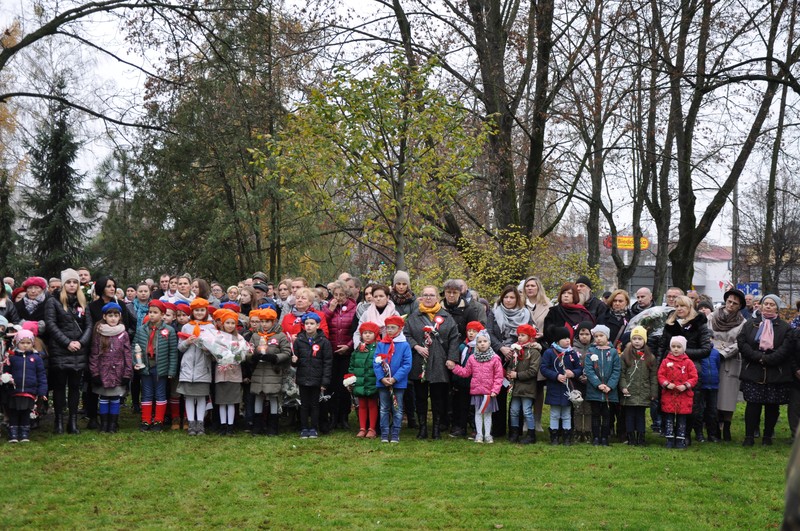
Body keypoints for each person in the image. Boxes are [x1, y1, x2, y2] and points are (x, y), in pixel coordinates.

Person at [404, 285, 460, 440]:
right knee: (420, 397)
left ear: (437, 298)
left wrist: (451, 358)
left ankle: (436, 428)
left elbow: (454, 339)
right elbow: (406, 335)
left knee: (438, 397)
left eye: (431, 295)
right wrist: (416, 346)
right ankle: (422, 428)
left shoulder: (447, 317)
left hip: (439, 363)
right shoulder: (414, 317)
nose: (428, 298)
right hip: (419, 361)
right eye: (425, 295)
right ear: (421, 298)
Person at [738, 294, 793, 447]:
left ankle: (767, 436)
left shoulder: (785, 327)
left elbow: (786, 348)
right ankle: (749, 436)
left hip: (775, 372)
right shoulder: (750, 324)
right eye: (765, 304)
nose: (768, 306)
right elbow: (742, 343)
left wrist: (769, 359)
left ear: (777, 307)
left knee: (772, 406)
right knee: (753, 405)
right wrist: (758, 357)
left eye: (771, 304)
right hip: (753, 369)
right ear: (761, 306)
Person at [44, 269, 93, 435]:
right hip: (60, 350)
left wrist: (80, 342)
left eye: (75, 282)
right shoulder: (53, 301)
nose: (72, 285)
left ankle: (72, 422)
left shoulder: (82, 301)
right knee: (59, 387)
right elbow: (51, 325)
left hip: (78, 351)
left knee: (74, 387)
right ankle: (58, 421)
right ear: (64, 284)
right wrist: (67, 343)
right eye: (69, 282)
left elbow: (89, 326)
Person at [658, 294, 711, 444]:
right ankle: (669, 432)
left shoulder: (699, 323)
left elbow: (706, 349)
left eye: (683, 306)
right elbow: (662, 345)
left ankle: (686, 433)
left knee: (691, 405)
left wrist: (682, 354)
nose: (679, 309)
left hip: (691, 367)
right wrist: (659, 364)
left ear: (690, 307)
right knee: (668, 402)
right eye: (677, 306)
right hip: (669, 368)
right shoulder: (670, 324)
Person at [487, 285, 533, 437]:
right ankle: (498, 429)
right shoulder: (494, 312)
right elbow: (490, 333)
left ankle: (516, 430)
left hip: (520, 357)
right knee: (498, 392)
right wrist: (501, 348)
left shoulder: (526, 314)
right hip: (498, 356)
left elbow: (529, 334)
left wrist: (516, 348)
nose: (508, 300)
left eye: (512, 297)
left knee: (518, 393)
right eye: (506, 297)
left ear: (517, 299)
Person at [447, 329, 504, 444]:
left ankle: (487, 435)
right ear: (476, 344)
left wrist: (495, 390)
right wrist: (454, 368)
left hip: (489, 392)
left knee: (487, 414)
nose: (482, 343)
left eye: (485, 341)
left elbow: (499, 376)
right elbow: (466, 372)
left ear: (489, 343)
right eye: (479, 342)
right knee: (478, 413)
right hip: (477, 391)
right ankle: (479, 434)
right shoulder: (472, 358)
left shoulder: (495, 359)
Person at [133, 300, 178, 432]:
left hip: (161, 367)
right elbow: (134, 348)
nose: (152, 315)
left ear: (162, 314)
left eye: (155, 312)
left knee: (160, 393)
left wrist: (171, 370)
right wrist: (136, 362)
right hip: (145, 366)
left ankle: (159, 421)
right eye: (150, 312)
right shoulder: (142, 330)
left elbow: (173, 352)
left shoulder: (169, 330)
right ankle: (146, 420)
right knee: (146, 393)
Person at [89, 302, 132, 433]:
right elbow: (94, 354)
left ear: (120, 317)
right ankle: (104, 423)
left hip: (118, 371)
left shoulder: (123, 334)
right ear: (104, 316)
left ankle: (113, 424)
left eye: (116, 315)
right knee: (104, 397)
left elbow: (128, 354)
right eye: (110, 315)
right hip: (103, 371)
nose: (113, 318)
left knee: (115, 397)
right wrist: (95, 373)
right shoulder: (99, 333)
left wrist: (127, 373)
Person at [320, 280, 358, 430]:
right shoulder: (328, 307)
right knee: (331, 384)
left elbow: (356, 330)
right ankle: (333, 416)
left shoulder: (354, 309)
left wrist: (348, 346)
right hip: (331, 352)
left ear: (347, 295)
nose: (338, 297)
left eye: (341, 295)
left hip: (347, 352)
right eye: (335, 294)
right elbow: (322, 323)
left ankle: (344, 416)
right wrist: (330, 309)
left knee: (345, 385)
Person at [248, 308, 291, 436]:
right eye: (262, 321)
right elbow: (248, 350)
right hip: (258, 372)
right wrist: (253, 357)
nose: (264, 324)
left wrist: (275, 358)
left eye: (268, 321)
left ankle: (273, 426)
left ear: (274, 322)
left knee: (273, 396)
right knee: (258, 396)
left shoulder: (280, 335)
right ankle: (257, 426)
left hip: (273, 371)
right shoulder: (255, 335)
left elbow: (287, 352)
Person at [177, 298, 217, 435]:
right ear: (192, 312)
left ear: (206, 311)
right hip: (188, 369)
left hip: (202, 369)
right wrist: (187, 341)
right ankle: (191, 424)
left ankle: (200, 425)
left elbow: (214, 350)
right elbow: (180, 348)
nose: (199, 313)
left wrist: (207, 348)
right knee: (189, 397)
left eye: (202, 310)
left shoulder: (211, 328)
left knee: (201, 397)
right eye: (196, 310)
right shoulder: (186, 327)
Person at [291, 312, 333, 439]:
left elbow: (327, 362)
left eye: (312, 324)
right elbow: (296, 362)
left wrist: (324, 381)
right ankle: (304, 427)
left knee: (315, 404)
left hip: (317, 378)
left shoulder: (324, 342)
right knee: (304, 405)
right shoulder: (299, 341)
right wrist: (293, 360)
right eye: (306, 324)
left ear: (318, 325)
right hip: (303, 377)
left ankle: (314, 427)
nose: (309, 326)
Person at [2, 329, 47, 443]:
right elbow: (6, 372)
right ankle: (13, 433)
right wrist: (7, 379)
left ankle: (25, 432)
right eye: (22, 343)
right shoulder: (11, 358)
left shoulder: (36, 359)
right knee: (14, 411)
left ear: (32, 343)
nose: (25, 345)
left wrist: (42, 391)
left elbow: (41, 375)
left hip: (29, 390)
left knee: (26, 412)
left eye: (28, 343)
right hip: (14, 390)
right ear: (17, 343)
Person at [540, 326, 582, 445]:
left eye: (568, 337)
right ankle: (554, 436)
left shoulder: (572, 353)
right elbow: (543, 368)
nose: (567, 340)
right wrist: (556, 376)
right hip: (554, 387)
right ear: (557, 340)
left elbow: (579, 368)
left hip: (568, 388)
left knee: (567, 414)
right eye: (564, 338)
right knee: (554, 413)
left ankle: (567, 437)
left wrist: (573, 373)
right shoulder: (549, 352)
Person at [209, 308, 249, 436]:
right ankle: (223, 425)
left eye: (233, 323)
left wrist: (239, 356)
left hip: (234, 373)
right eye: (227, 323)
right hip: (221, 373)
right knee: (221, 401)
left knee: (232, 401)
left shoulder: (239, 338)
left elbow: (244, 354)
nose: (230, 325)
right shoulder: (217, 337)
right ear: (223, 324)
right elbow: (213, 352)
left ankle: (230, 426)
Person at [374, 315, 412, 443]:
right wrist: (381, 378)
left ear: (400, 329)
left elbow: (407, 364)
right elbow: (376, 362)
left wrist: (395, 378)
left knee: (397, 408)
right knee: (384, 408)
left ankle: (395, 433)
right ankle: (384, 433)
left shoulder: (404, 345)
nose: (389, 330)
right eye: (387, 328)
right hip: (383, 383)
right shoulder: (381, 344)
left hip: (398, 383)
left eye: (392, 328)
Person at [619, 326, 658, 446]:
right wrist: (623, 387)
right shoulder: (625, 355)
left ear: (644, 340)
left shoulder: (650, 357)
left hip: (643, 392)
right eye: (634, 339)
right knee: (629, 416)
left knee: (640, 416)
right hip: (629, 391)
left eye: (639, 339)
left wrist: (653, 392)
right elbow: (622, 373)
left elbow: (653, 376)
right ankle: (631, 438)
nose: (636, 341)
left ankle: (641, 438)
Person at [583, 325, 620, 447]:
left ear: (607, 337)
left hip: (609, 391)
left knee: (607, 415)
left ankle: (605, 437)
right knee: (595, 414)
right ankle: (596, 437)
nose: (598, 338)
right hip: (595, 390)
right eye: (596, 336)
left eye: (601, 336)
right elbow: (589, 370)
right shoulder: (591, 351)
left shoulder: (613, 352)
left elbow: (616, 370)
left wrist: (610, 386)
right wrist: (598, 384)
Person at [658, 335, 698, 449]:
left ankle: (680, 439)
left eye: (678, 347)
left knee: (682, 418)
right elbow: (660, 374)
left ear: (683, 348)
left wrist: (686, 385)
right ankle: (669, 439)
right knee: (669, 418)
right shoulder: (666, 361)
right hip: (669, 394)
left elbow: (694, 377)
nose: (675, 349)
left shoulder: (688, 362)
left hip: (683, 395)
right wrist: (666, 383)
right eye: (673, 346)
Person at [506, 323, 542, 444]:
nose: (519, 337)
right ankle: (514, 433)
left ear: (530, 337)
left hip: (528, 387)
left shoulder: (534, 352)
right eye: (519, 335)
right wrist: (509, 372)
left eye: (523, 335)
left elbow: (533, 371)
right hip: (515, 387)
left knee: (527, 410)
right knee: (514, 410)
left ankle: (531, 434)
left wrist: (518, 375)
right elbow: (510, 365)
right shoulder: (516, 351)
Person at [347, 321, 380, 438]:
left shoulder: (378, 348)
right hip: (360, 382)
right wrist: (350, 377)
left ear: (375, 334)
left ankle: (372, 428)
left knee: (372, 405)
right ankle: (362, 428)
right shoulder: (357, 350)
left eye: (370, 333)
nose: (367, 335)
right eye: (365, 333)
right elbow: (352, 365)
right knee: (361, 405)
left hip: (372, 382)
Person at [450, 321, 482, 438]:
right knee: (462, 405)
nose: (471, 334)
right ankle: (461, 427)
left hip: (475, 382)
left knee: (474, 407)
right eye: (469, 331)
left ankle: (475, 428)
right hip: (462, 380)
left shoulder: (481, 347)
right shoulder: (463, 346)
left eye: (474, 331)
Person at [352, 284, 396, 348]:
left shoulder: (394, 314)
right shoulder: (366, 314)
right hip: (369, 350)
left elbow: (399, 334)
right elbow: (357, 333)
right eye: (375, 296)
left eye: (381, 296)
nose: (378, 299)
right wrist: (359, 346)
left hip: (389, 349)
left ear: (387, 297)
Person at [571, 321, 594, 443]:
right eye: (581, 334)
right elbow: (570, 365)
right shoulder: (573, 349)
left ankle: (588, 431)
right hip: (577, 382)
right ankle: (578, 430)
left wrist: (589, 377)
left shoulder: (595, 348)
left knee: (588, 408)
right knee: (578, 408)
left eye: (587, 334)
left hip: (591, 383)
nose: (584, 336)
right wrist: (578, 375)